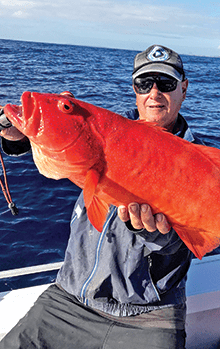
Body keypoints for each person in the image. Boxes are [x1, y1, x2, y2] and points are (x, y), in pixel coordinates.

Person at [0, 45, 200, 349]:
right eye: (144, 84)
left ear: (183, 89)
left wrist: (149, 230)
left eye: (167, 84)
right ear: (134, 89)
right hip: (69, 299)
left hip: (149, 316)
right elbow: (75, 153)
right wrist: (27, 136)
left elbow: (186, 242)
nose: (154, 93)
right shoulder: (108, 129)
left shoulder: (198, 162)